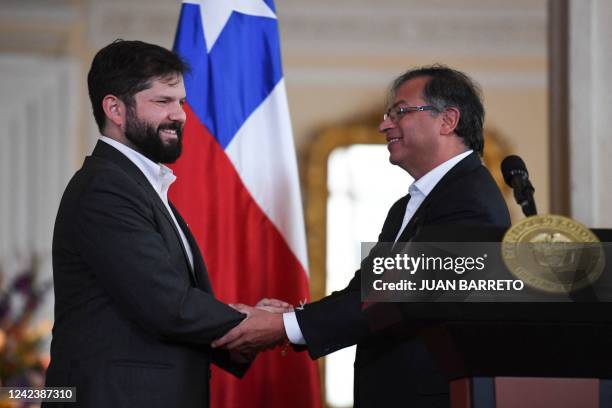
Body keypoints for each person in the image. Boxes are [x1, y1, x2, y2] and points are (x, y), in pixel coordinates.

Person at [213, 65, 511, 407]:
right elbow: (368, 292)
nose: (385, 124)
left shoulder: (469, 199)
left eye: (400, 112)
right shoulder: (408, 205)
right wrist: (288, 320)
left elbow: (397, 297)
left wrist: (284, 326)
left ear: (448, 121)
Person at [44, 40, 251, 408]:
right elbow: (167, 304)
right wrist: (263, 324)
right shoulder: (107, 187)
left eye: (181, 102)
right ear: (115, 109)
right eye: (163, 102)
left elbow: (378, 306)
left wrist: (292, 324)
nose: (181, 115)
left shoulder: (140, 185)